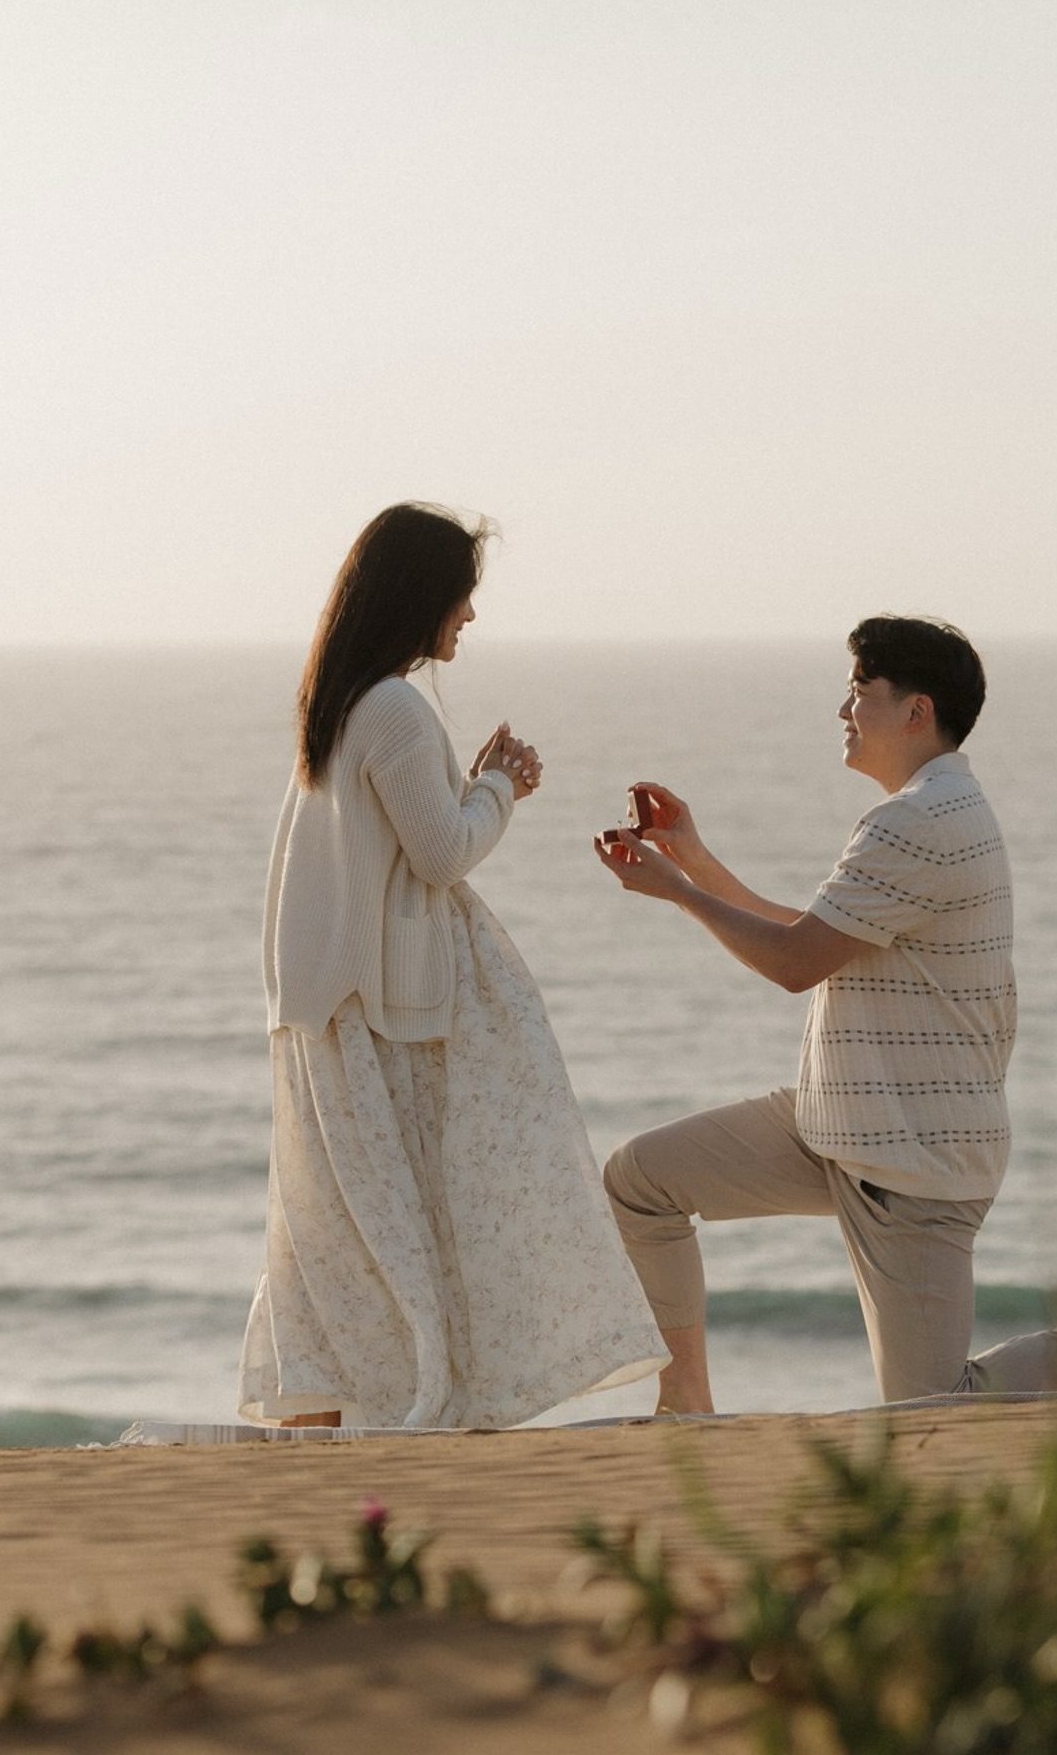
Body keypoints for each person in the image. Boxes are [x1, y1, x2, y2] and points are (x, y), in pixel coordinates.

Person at [595, 614, 1057, 1412]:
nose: (843, 711)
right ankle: (687, 1400)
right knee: (642, 1182)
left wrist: (676, 891)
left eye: (858, 694)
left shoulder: (920, 821)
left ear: (916, 712)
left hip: (912, 1159)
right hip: (837, 1125)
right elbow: (811, 932)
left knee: (931, 1405)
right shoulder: (927, 808)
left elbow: (793, 964)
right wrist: (692, 859)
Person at [239, 502, 667, 1428]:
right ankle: (430, 1396)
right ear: (424, 596)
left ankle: (327, 1408)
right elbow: (439, 854)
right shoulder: (391, 706)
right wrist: (502, 789)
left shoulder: (345, 699)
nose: (469, 617)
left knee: (338, 1226)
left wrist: (475, 784)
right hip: (381, 1007)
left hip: (330, 1002)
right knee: (413, 1211)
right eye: (462, 598)